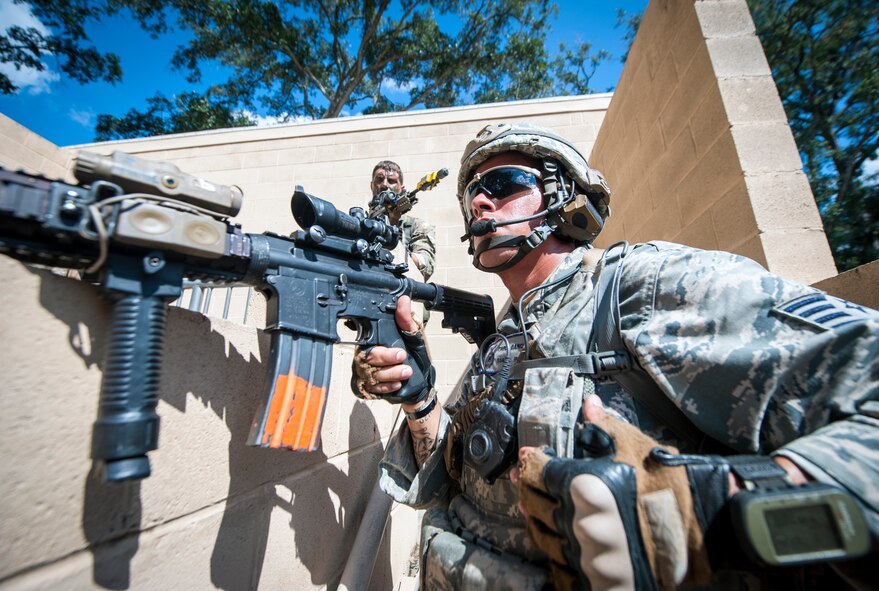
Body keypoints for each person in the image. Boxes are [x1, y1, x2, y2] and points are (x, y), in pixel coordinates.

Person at [351, 123, 879, 590]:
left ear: (561, 196)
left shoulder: (638, 286)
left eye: (504, 185)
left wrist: (706, 509)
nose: (480, 204)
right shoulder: (504, 335)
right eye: (472, 196)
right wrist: (419, 402)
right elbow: (450, 482)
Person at [369, 160, 437, 283]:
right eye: (379, 179)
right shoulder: (360, 223)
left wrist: (392, 225)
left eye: (392, 181)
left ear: (401, 188)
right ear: (371, 185)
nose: (385, 185)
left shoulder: (417, 226)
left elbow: (425, 267)